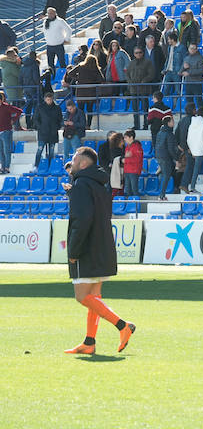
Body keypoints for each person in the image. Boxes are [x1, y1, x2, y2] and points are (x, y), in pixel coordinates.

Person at [64, 146, 135, 355]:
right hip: (102, 245)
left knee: (82, 297)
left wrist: (74, 251)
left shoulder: (80, 186)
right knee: (94, 297)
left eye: (75, 158)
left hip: (86, 248)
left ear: (84, 163)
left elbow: (82, 219)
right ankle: (89, 341)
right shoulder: (99, 185)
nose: (72, 161)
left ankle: (123, 326)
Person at [0, 92, 22, 174]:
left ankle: (7, 167)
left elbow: (19, 111)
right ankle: (2, 167)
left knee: (6, 150)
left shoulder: (6, 107)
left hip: (6, 131)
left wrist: (13, 119)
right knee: (1, 151)